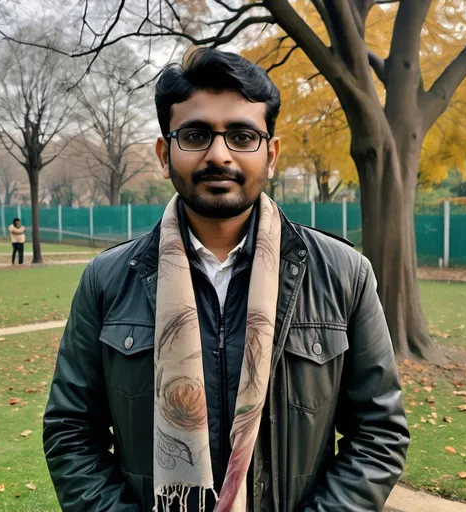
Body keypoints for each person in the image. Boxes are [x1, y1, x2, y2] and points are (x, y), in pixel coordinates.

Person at [44, 48, 409, 512]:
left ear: (271, 154)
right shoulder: (107, 279)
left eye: (242, 135)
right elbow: (70, 431)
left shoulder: (343, 274)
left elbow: (379, 432)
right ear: (164, 152)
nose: (219, 154)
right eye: (195, 134)